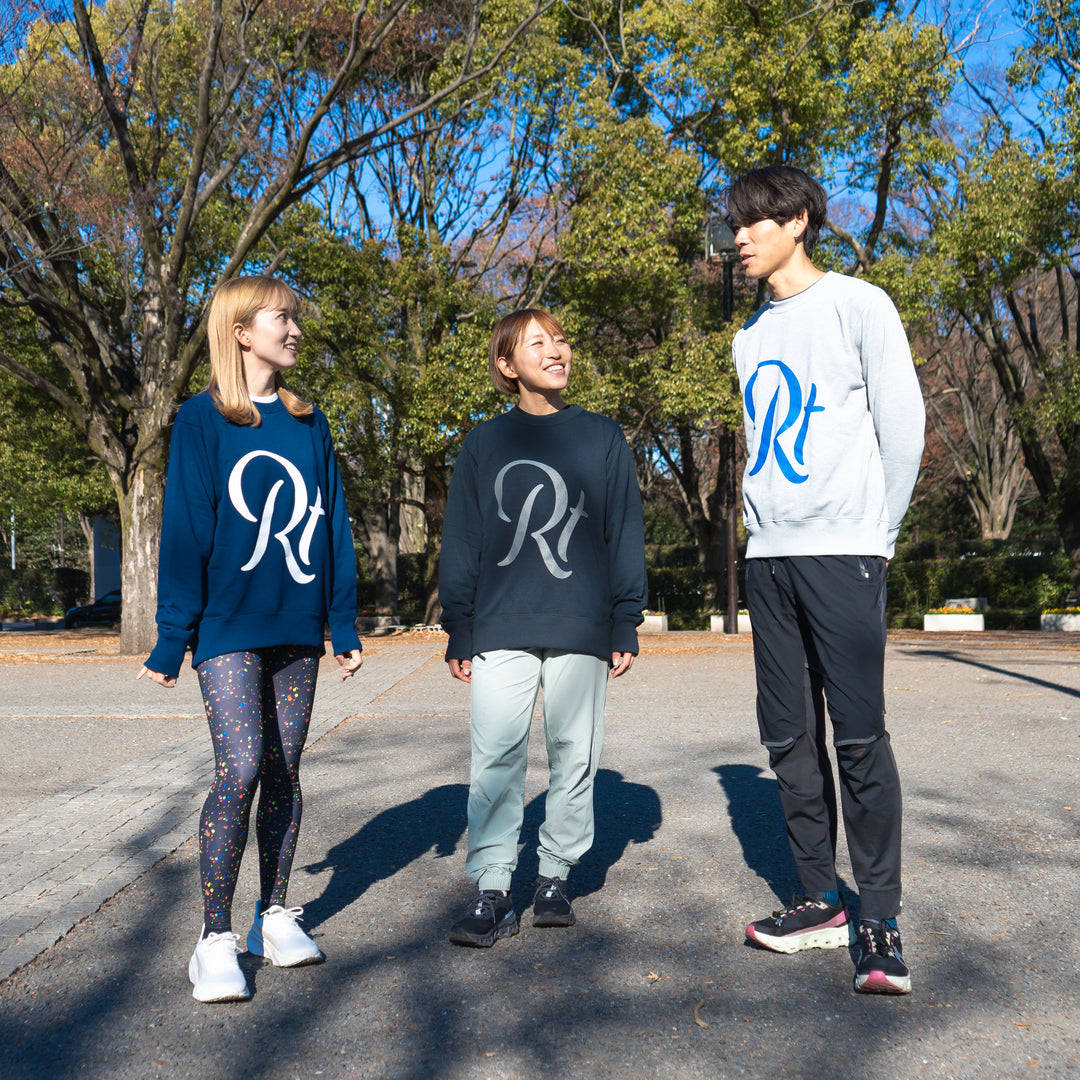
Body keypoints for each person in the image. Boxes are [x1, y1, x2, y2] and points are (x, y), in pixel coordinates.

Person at [725, 166, 925, 994]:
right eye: (734, 224)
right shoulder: (748, 336)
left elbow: (903, 429)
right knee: (787, 736)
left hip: (845, 551)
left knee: (858, 737)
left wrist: (878, 538)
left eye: (754, 222)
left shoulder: (858, 304)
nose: (738, 236)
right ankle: (819, 900)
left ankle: (878, 917)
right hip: (768, 557)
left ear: (799, 221)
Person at [138, 276, 363, 1002]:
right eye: (281, 318)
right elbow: (186, 531)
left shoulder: (309, 421)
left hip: (296, 624)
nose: (295, 330)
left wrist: (343, 621)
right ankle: (214, 939)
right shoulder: (200, 420)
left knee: (283, 768)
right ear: (240, 331)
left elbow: (332, 525)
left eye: (296, 318)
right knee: (238, 769)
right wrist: (172, 637)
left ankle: (274, 915)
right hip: (227, 625)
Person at [439, 308, 647, 947]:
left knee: (573, 752)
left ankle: (554, 875)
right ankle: (493, 887)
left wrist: (625, 620)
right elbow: (464, 539)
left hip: (582, 622)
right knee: (495, 755)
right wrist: (459, 625)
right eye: (539, 343)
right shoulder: (483, 443)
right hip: (499, 623)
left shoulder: (603, 437)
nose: (557, 350)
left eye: (560, 339)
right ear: (507, 364)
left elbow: (623, 531)